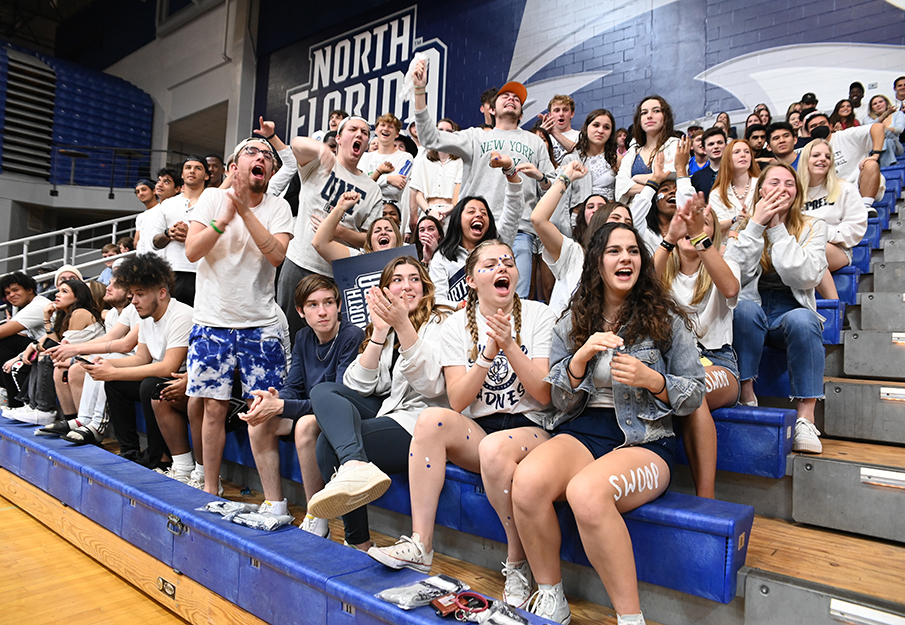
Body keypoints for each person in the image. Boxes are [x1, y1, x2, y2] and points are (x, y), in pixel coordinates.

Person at [510, 222, 704, 624]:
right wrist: (579, 360)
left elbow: (696, 394)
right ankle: (551, 596)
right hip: (583, 430)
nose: (625, 258)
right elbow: (559, 401)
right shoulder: (572, 322)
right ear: (598, 262)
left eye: (633, 251)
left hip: (645, 440)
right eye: (614, 251)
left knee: (585, 492)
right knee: (526, 482)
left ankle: (630, 618)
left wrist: (656, 381)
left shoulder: (665, 319)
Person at [368, 240, 556, 612]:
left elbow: (544, 394)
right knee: (430, 419)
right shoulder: (456, 325)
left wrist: (509, 345)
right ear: (471, 280)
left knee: (495, 448)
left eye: (507, 261)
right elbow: (456, 401)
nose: (502, 267)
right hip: (483, 429)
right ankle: (421, 545)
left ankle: (516, 563)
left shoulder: (538, 314)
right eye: (490, 264)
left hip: (533, 427)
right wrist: (488, 352)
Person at [305, 257, 450, 549]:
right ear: (385, 289)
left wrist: (403, 326)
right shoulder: (386, 327)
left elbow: (432, 385)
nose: (406, 286)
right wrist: (380, 332)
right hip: (391, 408)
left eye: (414, 279)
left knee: (327, 446)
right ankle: (355, 464)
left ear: (425, 288)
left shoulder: (440, 321)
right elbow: (359, 384)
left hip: (423, 422)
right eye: (397, 280)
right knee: (322, 392)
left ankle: (358, 542)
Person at [183, 137, 294, 495]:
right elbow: (191, 252)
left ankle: (274, 501)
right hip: (212, 322)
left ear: (271, 172)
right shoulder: (211, 200)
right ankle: (210, 488)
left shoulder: (279, 208)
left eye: (267, 156)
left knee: (261, 413)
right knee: (212, 410)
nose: (261, 157)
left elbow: (277, 256)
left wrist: (244, 211)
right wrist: (222, 221)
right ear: (233, 168)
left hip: (260, 324)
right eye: (252, 152)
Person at [408, 59, 554, 298]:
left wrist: (539, 177)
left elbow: (551, 187)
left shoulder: (535, 142)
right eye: (505, 96)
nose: (512, 99)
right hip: (473, 230)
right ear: (491, 109)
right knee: (467, 297)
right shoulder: (475, 137)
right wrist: (419, 91)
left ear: (521, 112)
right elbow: (429, 138)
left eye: (517, 99)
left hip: (519, 230)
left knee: (516, 299)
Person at [242, 275, 363, 535]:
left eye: (328, 302)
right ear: (300, 311)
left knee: (305, 426)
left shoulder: (351, 335)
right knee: (259, 422)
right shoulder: (304, 337)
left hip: (343, 415)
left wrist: (283, 406)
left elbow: (337, 398)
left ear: (339, 305)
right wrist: (275, 400)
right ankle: (274, 504)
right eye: (313, 305)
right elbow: (294, 385)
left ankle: (316, 514)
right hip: (311, 408)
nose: (322, 312)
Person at [724, 164, 828, 454]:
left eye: (789, 184)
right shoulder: (741, 226)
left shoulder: (814, 226)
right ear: (760, 191)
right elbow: (733, 277)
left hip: (790, 309)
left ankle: (806, 418)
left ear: (797, 193)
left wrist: (777, 229)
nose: (782, 188)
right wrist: (756, 225)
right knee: (744, 311)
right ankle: (746, 395)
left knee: (804, 320)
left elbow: (805, 276)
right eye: (774, 182)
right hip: (752, 306)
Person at [654, 201, 741, 498]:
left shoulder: (727, 263)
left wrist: (699, 238)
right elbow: (640, 291)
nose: (691, 229)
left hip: (718, 362)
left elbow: (730, 288)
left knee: (694, 389)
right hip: (672, 363)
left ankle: (707, 498)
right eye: (685, 223)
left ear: (712, 234)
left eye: (702, 223)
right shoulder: (663, 270)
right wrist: (667, 241)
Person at [80, 254, 194, 469]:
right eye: (132, 294)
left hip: (184, 383)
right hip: (162, 378)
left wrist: (113, 371)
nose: (133, 301)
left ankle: (161, 459)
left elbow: (169, 367)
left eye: (140, 294)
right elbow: (142, 358)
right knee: (116, 384)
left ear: (161, 293)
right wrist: (107, 366)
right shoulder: (147, 317)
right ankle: (129, 449)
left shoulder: (182, 315)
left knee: (150, 385)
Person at [277, 116, 382, 338]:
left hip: (337, 274)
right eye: (353, 129)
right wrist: (320, 148)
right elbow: (296, 144)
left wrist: (339, 232)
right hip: (299, 262)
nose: (360, 134)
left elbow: (371, 239)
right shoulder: (317, 164)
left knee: (328, 342)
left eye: (365, 132)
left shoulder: (372, 190)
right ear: (339, 137)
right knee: (287, 334)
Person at [41, 275, 138, 443]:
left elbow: (123, 345)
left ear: (131, 292)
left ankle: (95, 426)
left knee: (97, 362)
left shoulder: (81, 313)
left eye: (116, 285)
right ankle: (83, 419)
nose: (108, 287)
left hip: (139, 362)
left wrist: (74, 350)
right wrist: (72, 349)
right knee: (91, 360)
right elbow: (110, 339)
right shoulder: (115, 313)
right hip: (125, 357)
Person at [532, 160, 633, 317]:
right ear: (599, 220)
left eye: (628, 222)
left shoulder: (628, 263)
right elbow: (538, 219)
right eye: (615, 218)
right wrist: (566, 178)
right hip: (562, 337)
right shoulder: (573, 253)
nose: (622, 225)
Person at [3, 279, 104, 425]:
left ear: (78, 297)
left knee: (47, 356)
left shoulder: (79, 313)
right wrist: (47, 319)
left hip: (93, 356)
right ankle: (46, 411)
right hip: (76, 354)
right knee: (46, 357)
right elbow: (52, 341)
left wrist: (36, 347)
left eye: (64, 292)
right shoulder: (65, 314)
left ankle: (43, 409)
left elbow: (58, 347)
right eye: (58, 290)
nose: (58, 294)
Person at [428, 153, 523, 307]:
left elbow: (513, 210)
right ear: (458, 219)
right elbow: (437, 299)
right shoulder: (443, 256)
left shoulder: (498, 245)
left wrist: (510, 172)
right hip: (457, 323)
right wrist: (459, 307)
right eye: (471, 212)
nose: (479, 214)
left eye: (484, 213)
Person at [798, 139, 868, 300]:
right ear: (805, 160)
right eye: (816, 155)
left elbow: (856, 227)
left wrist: (820, 234)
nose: (822, 159)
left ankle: (834, 305)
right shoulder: (795, 192)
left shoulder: (845, 187)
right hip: (801, 245)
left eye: (827, 156)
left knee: (812, 252)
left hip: (836, 248)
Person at [150, 156, 211, 306]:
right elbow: (155, 242)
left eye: (198, 168)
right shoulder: (168, 204)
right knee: (171, 321)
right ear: (182, 174)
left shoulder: (214, 201)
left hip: (204, 271)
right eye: (188, 167)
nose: (192, 171)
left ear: (207, 175)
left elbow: (222, 237)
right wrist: (168, 233)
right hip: (171, 271)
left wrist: (191, 235)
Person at [803, 111, 886, 211]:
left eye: (822, 123)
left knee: (871, 164)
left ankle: (865, 207)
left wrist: (875, 154)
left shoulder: (846, 135)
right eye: (813, 126)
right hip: (835, 194)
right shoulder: (807, 151)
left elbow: (878, 127)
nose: (819, 127)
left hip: (861, 185)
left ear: (830, 126)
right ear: (808, 133)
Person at [615, 96, 679, 208]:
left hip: (667, 213)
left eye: (656, 111)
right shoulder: (632, 152)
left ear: (666, 117)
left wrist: (636, 178)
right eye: (644, 113)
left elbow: (675, 172)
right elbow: (621, 187)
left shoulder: (676, 144)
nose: (649, 116)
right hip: (636, 212)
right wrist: (657, 185)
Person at [0, 272, 52, 408]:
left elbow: (3, 333)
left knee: (4, 343)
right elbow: (22, 335)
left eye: (15, 290)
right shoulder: (30, 306)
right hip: (42, 346)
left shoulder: (36, 306)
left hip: (54, 347)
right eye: (7, 293)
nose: (11, 295)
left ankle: (15, 402)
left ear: (29, 290)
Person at [312, 191, 402, 263]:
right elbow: (320, 243)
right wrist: (341, 207)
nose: (383, 232)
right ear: (370, 243)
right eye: (377, 231)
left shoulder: (407, 261)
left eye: (389, 230)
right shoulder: (359, 259)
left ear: (397, 239)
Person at [557, 109, 619, 212]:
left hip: (608, 219)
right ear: (586, 128)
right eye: (596, 125)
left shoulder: (617, 160)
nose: (600, 131)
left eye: (606, 127)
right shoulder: (571, 159)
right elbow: (562, 198)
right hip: (577, 222)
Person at [409, 118, 462, 227]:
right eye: (440, 130)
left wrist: (446, 212)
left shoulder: (460, 162)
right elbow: (418, 194)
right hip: (428, 212)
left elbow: (461, 193)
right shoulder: (423, 161)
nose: (443, 133)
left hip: (453, 214)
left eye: (448, 131)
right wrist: (430, 212)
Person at [359, 113, 414, 206]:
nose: (385, 129)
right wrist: (388, 179)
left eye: (390, 126)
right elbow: (362, 186)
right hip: (367, 208)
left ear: (397, 134)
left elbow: (394, 190)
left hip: (391, 211)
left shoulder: (406, 157)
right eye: (382, 125)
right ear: (376, 130)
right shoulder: (365, 157)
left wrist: (373, 179)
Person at [709, 139, 761, 238]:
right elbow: (716, 227)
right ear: (728, 159)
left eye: (747, 152)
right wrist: (735, 219)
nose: (743, 155)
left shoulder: (762, 184)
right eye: (737, 152)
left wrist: (750, 219)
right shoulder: (717, 193)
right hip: (728, 246)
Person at [540, 95, 580, 163]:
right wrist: (539, 135)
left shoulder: (580, 135)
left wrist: (554, 132)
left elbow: (580, 154)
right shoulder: (544, 138)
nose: (561, 114)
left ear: (572, 114)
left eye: (565, 110)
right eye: (557, 110)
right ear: (550, 115)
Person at [690, 127, 726, 200]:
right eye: (711, 144)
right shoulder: (697, 177)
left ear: (726, 146)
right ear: (704, 150)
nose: (716, 146)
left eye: (720, 143)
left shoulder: (737, 171)